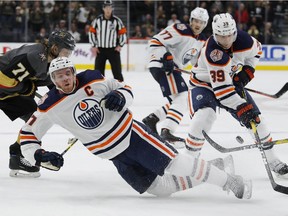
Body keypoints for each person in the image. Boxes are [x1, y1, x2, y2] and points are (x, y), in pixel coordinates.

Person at [18, 56, 252, 199]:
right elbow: (27, 135)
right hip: (114, 156)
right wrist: (38, 155)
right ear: (52, 79)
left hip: (133, 136)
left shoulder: (92, 78)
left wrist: (121, 95)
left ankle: (229, 181)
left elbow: (124, 87)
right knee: (161, 189)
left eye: (68, 73)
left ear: (73, 71)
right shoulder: (48, 105)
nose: (65, 79)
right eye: (59, 76)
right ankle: (218, 166)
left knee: (177, 163)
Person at [185, 13, 288, 177]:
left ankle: (273, 161)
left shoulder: (244, 40)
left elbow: (257, 51)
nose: (226, 41)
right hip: (204, 85)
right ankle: (188, 162)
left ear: (234, 32)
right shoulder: (213, 52)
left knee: (256, 120)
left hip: (229, 83)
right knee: (204, 116)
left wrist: (248, 70)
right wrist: (241, 107)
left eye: (229, 36)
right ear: (214, 33)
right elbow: (222, 91)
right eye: (221, 36)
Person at [0, 30, 76, 177]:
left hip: (9, 91)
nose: (67, 56)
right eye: (66, 51)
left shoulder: (51, 61)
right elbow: (3, 79)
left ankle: (18, 156)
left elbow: (54, 84)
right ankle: (18, 155)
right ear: (55, 48)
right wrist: (26, 88)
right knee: (35, 118)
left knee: (35, 118)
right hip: (4, 87)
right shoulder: (34, 57)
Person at [142, 7, 209, 148]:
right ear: (191, 20)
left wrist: (210, 77)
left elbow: (197, 63)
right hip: (163, 65)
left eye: (202, 22)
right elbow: (155, 41)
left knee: (179, 100)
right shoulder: (181, 29)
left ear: (205, 24)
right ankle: (167, 132)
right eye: (196, 21)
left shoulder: (202, 40)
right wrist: (165, 56)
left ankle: (152, 119)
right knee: (183, 98)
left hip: (174, 69)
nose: (198, 24)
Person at [88, 0, 127, 81]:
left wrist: (120, 45)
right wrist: (94, 46)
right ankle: (99, 88)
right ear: (103, 8)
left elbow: (122, 33)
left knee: (117, 72)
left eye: (110, 7)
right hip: (100, 50)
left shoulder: (117, 21)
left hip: (113, 50)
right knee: (98, 73)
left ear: (112, 9)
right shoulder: (97, 20)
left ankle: (120, 89)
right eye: (106, 8)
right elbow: (91, 32)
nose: (108, 10)